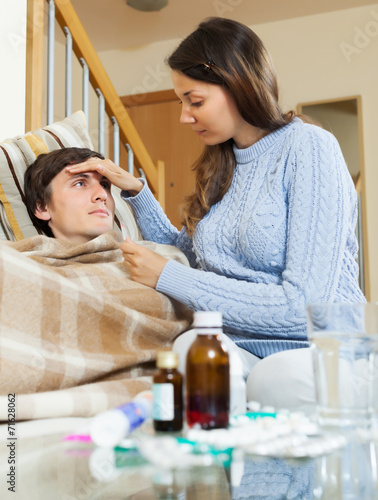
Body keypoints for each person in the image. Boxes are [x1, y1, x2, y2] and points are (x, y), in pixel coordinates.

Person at [67, 18, 365, 413]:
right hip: (242, 346)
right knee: (192, 351)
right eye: (181, 102)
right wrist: (136, 193)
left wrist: (167, 276)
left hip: (322, 351)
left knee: (273, 380)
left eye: (195, 101)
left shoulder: (309, 148)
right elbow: (194, 259)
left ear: (238, 83)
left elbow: (304, 308)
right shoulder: (223, 163)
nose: (184, 116)